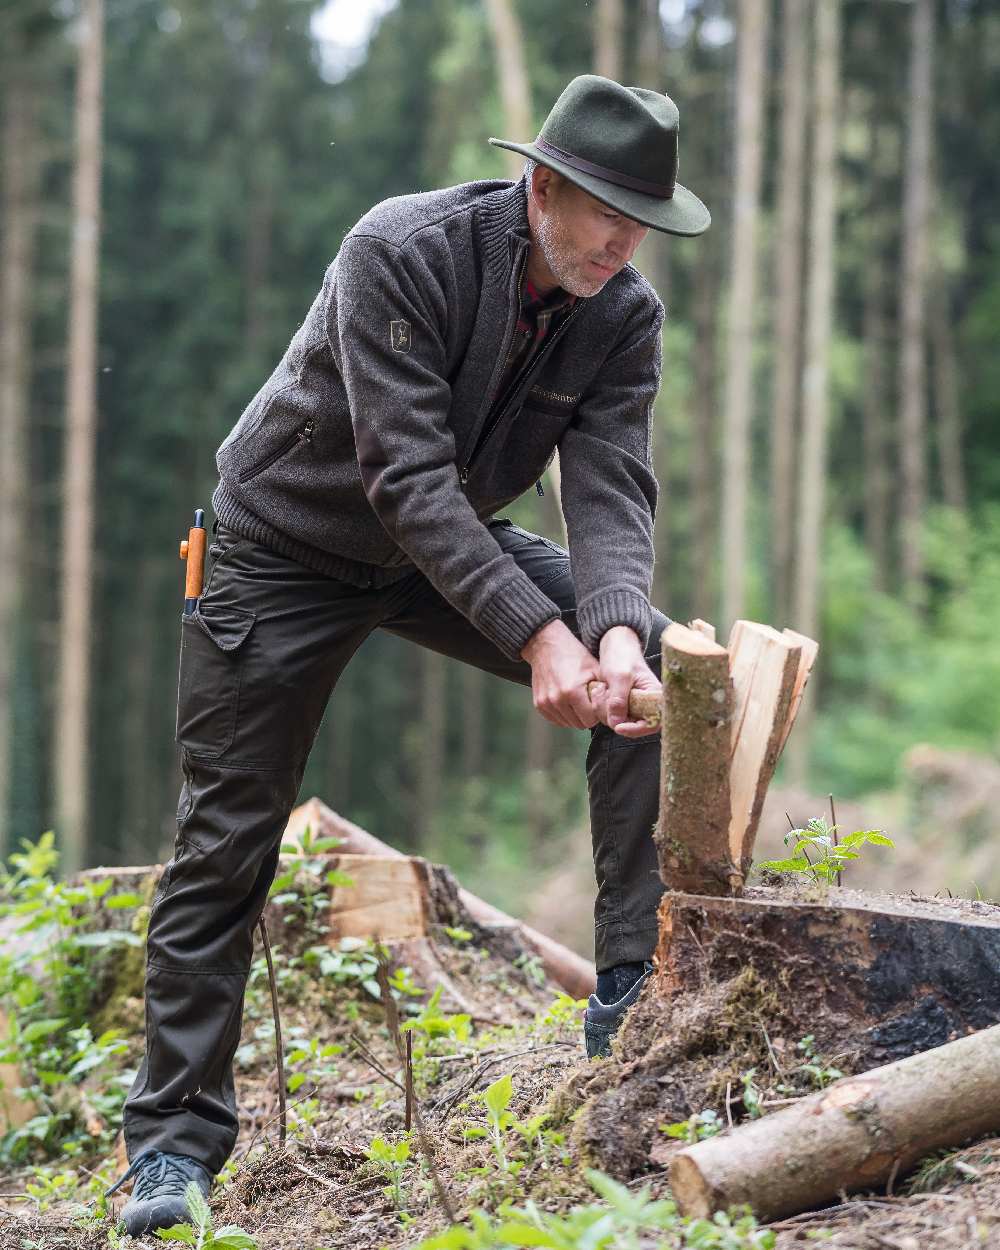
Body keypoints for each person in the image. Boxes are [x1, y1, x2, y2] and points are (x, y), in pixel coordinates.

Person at [109, 73, 710, 1236]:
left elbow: (609, 485)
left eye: (643, 223)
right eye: (606, 215)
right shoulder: (404, 249)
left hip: (441, 546)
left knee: (664, 686)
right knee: (225, 840)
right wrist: (541, 635)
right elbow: (405, 476)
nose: (623, 243)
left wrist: (616, 629)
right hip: (281, 550)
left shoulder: (622, 314)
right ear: (543, 186)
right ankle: (172, 1150)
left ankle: (629, 1011)